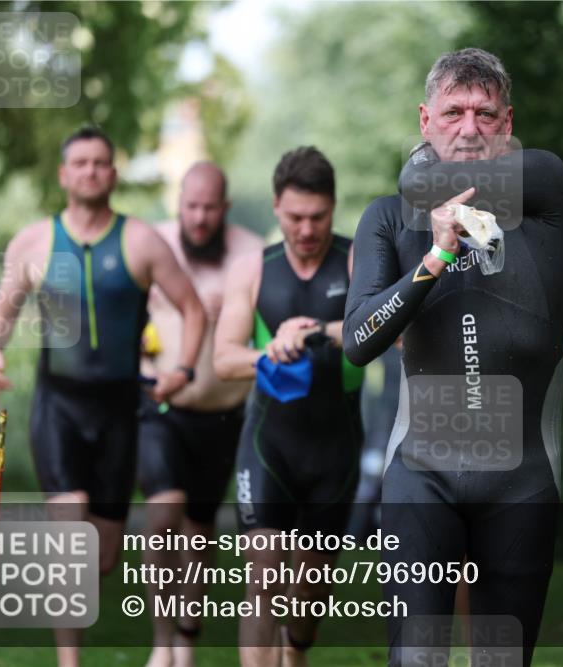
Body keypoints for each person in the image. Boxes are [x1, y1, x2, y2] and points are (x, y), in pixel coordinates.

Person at [343, 48, 563, 666]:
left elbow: (420, 179)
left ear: (508, 122)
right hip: (421, 473)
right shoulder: (388, 222)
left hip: (522, 478)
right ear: (424, 120)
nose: (469, 128)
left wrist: (441, 193)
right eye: (452, 113)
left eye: (485, 113)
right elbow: (359, 341)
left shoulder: (545, 190)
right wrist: (432, 259)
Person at [0, 127, 206, 667]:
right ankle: (69, 663)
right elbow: (2, 312)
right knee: (69, 526)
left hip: (119, 411)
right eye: (79, 163)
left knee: (100, 558)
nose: (90, 172)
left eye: (100, 163)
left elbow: (193, 309)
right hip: (58, 406)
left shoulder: (142, 242)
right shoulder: (34, 241)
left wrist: (182, 368)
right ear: (64, 174)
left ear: (114, 173)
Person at [214, 146, 363, 667]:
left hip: (335, 447)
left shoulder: (357, 260)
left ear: (333, 207)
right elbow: (224, 359)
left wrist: (321, 332)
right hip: (269, 442)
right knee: (264, 576)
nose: (306, 228)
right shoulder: (253, 269)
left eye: (318, 216)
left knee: (304, 609)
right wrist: (269, 350)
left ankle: (294, 654)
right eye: (296, 217)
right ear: (277, 207)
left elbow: (391, 333)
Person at [138, 161, 264, 667]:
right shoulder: (154, 244)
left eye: (210, 207)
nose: (199, 217)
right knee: (163, 512)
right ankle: (161, 640)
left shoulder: (250, 252)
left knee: (199, 530)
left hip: (223, 414)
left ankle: (185, 644)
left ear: (225, 207)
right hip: (161, 407)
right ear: (179, 204)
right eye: (191, 206)